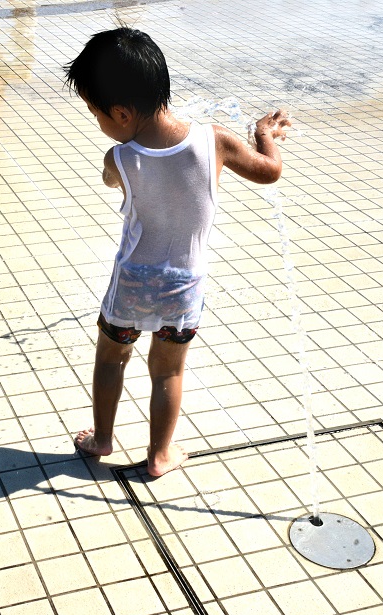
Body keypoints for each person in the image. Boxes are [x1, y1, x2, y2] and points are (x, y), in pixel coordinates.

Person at [64, 27, 290, 476]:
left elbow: (113, 181)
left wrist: (121, 165)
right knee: (168, 371)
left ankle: (103, 439)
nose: (100, 123)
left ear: (123, 113)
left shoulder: (121, 158)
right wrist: (264, 134)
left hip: (131, 285)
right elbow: (269, 172)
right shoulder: (216, 140)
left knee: (111, 357)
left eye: (97, 114)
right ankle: (161, 454)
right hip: (184, 287)